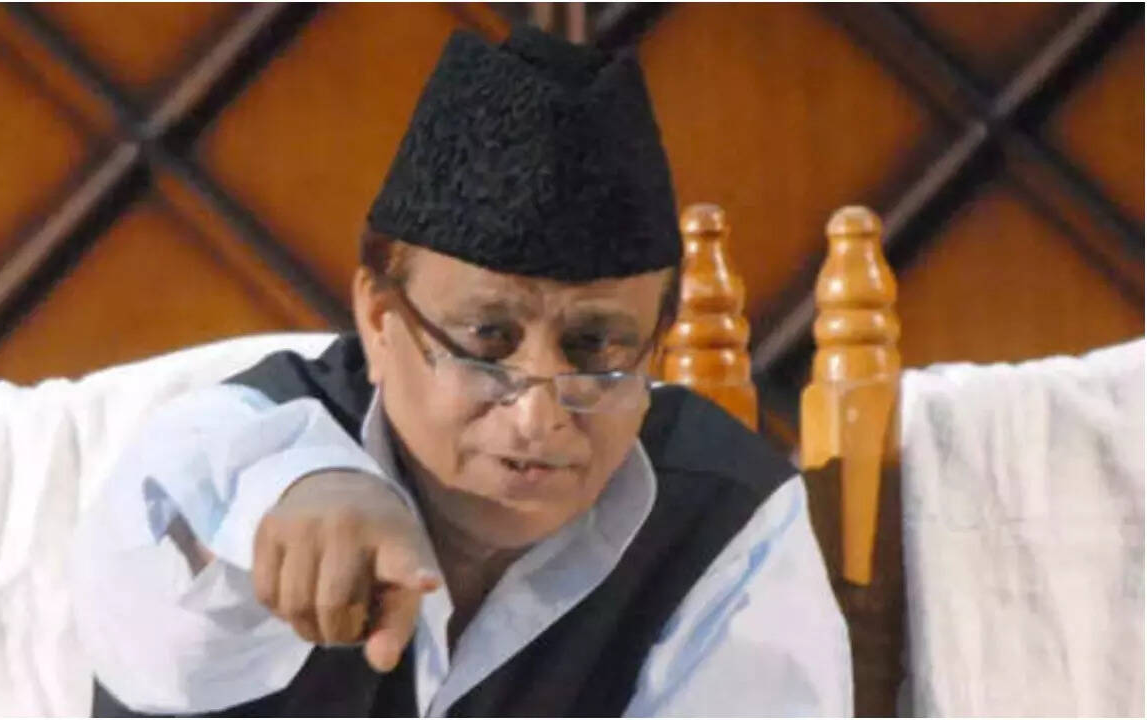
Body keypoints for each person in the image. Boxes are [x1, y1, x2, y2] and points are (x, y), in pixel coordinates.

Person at [74, 25, 850, 717]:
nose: (538, 416)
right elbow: (171, 548)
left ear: (657, 342)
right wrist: (305, 495)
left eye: (596, 347)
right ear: (379, 319)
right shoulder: (231, 440)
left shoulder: (728, 513)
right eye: (487, 340)